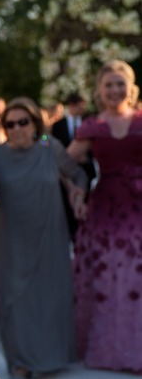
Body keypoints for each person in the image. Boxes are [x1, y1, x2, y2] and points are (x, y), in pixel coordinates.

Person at [0, 97, 86, 377]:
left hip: (48, 235)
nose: (17, 128)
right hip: (9, 238)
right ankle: (20, 361)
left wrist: (76, 193)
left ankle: (47, 356)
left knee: (49, 296)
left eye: (23, 122)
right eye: (10, 123)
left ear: (35, 123)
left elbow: (77, 174)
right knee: (13, 298)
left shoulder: (49, 147)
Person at [68, 60, 142, 373]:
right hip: (107, 208)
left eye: (119, 84)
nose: (114, 90)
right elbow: (65, 161)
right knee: (110, 278)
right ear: (99, 90)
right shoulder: (92, 126)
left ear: (131, 88)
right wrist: (77, 192)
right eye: (108, 84)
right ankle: (113, 350)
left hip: (139, 207)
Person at [51, 92, 96, 239]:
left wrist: (87, 157)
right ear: (71, 106)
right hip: (66, 173)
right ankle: (74, 235)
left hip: (86, 170)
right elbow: (47, 141)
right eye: (78, 106)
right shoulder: (57, 126)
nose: (81, 109)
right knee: (69, 203)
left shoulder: (90, 122)